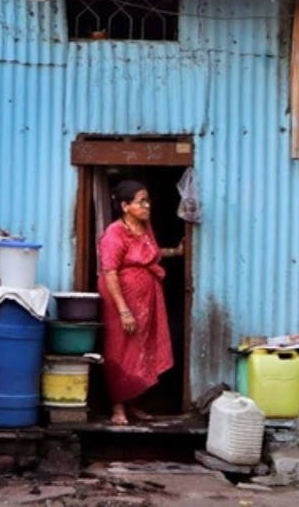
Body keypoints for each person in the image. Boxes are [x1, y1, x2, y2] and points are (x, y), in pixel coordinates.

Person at [97, 180, 182, 426]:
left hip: (146, 303)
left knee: (143, 349)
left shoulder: (145, 229)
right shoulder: (114, 234)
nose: (147, 206)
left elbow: (149, 254)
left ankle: (133, 402)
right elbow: (110, 273)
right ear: (125, 206)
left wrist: (176, 252)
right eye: (141, 201)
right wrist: (124, 311)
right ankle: (118, 407)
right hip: (121, 303)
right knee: (120, 351)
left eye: (147, 200)